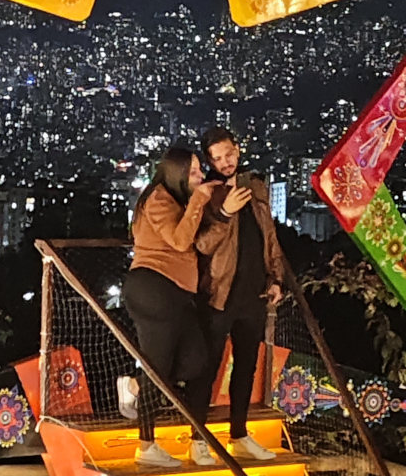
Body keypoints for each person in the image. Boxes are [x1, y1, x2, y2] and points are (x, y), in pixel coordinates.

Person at [121, 146, 245, 468]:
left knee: (196, 362)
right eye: (192, 172)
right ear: (175, 172)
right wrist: (199, 200)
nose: (199, 177)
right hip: (153, 287)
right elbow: (179, 240)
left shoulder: (177, 199)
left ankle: (134, 384)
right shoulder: (158, 199)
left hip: (177, 293)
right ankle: (146, 445)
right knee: (158, 365)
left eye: (199, 170)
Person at [193, 127, 285, 461]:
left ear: (238, 149)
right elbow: (201, 244)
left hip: (255, 293)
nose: (225, 162)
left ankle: (240, 434)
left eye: (228, 154)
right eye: (217, 158)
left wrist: (276, 278)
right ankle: (197, 438)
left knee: (246, 368)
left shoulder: (255, 185)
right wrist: (224, 212)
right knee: (207, 369)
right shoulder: (207, 193)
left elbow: (269, 235)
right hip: (219, 293)